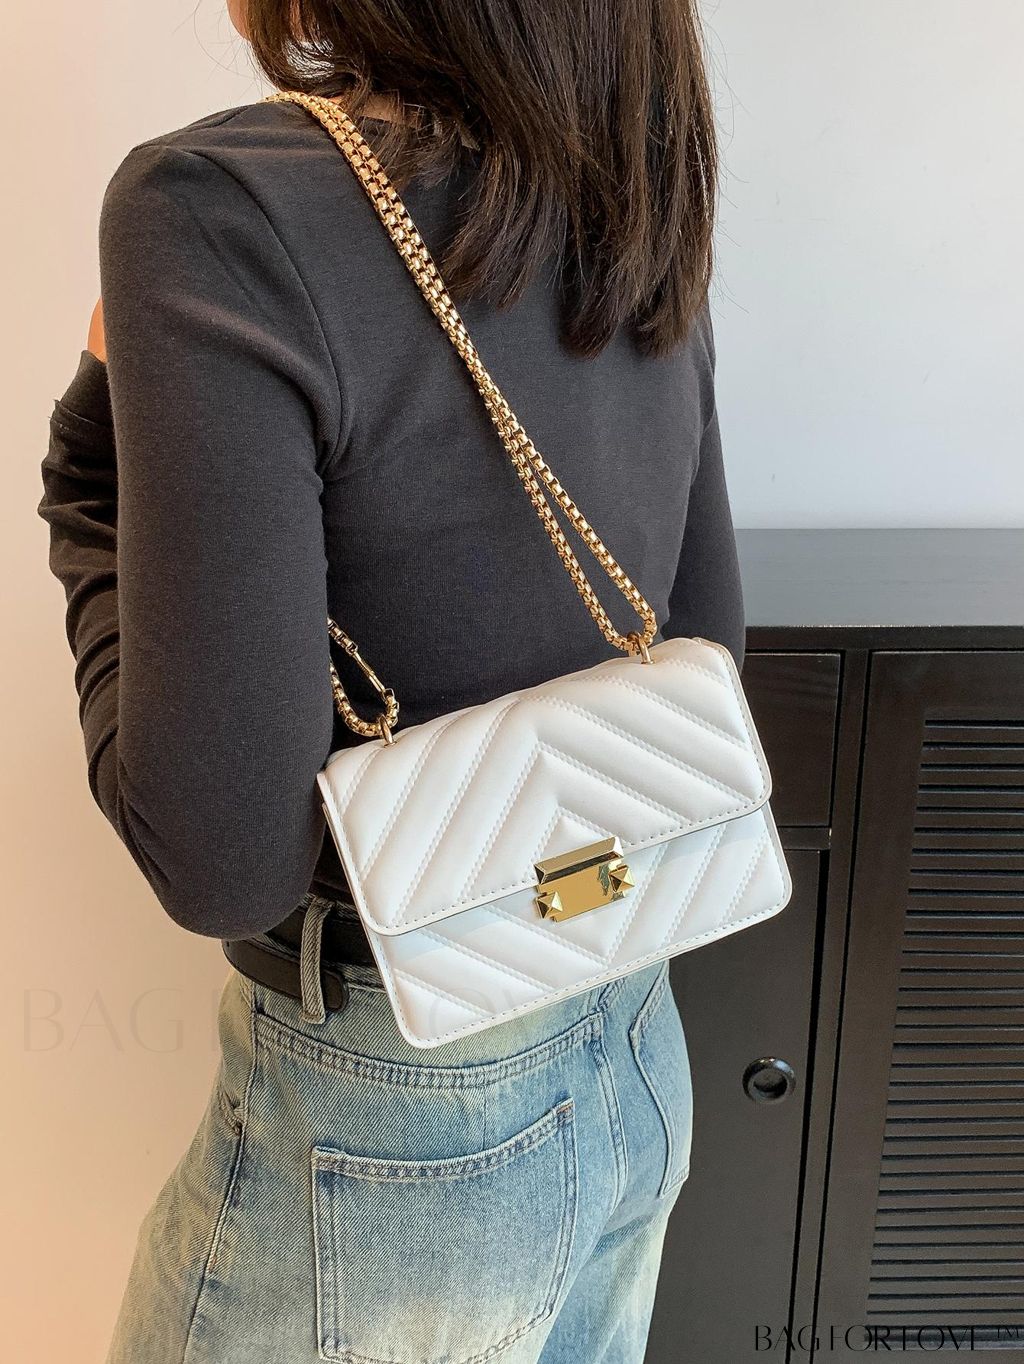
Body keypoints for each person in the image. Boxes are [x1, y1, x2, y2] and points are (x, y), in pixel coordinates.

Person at [38, 2, 745, 1360]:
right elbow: (705, 653)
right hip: (634, 1048)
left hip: (396, 1136)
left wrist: (86, 476)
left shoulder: (220, 211)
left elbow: (220, 862)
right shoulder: (633, 186)